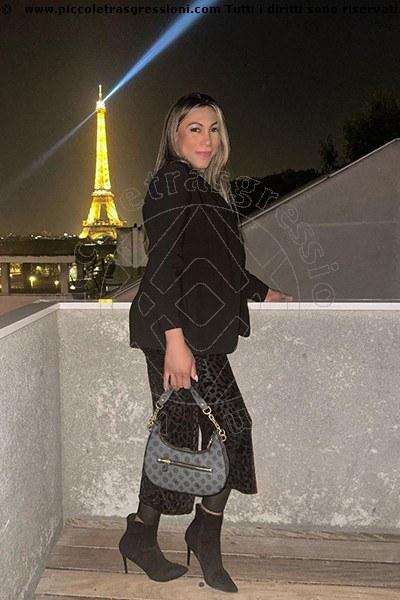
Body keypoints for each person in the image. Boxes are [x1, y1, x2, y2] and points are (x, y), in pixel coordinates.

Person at [119, 92, 293, 593]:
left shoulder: (209, 189)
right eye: (195, 128)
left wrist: (262, 292)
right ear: (174, 135)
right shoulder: (172, 182)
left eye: (214, 129)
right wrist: (174, 340)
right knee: (231, 427)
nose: (207, 139)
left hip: (196, 330)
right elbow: (164, 263)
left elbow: (219, 265)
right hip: (175, 331)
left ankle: (144, 534)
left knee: (179, 433)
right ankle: (200, 533)